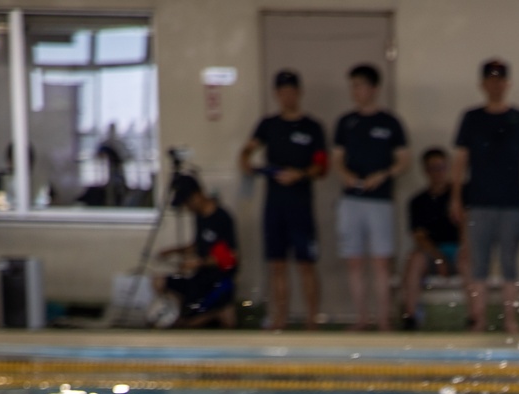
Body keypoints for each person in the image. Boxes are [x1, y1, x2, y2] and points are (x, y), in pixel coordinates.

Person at [451, 60, 519, 334]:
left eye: (500, 80)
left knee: (510, 264)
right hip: (479, 202)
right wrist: (456, 197)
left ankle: (510, 320)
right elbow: (460, 161)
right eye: (490, 80)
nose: (495, 85)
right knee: (477, 263)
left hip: (511, 203)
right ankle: (478, 319)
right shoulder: (471, 118)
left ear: (507, 84)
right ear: (482, 84)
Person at [240, 69, 327, 331]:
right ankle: (280, 318)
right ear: (276, 94)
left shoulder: (313, 127)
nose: (287, 96)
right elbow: (248, 150)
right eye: (282, 92)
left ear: (299, 93)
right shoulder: (268, 125)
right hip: (274, 205)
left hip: (300, 204)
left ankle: (312, 319)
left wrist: (300, 174)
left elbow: (322, 166)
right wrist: (247, 161)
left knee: (305, 264)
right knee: (277, 264)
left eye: (291, 91)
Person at [332, 64, 409, 332]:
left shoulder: (390, 123)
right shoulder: (346, 122)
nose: (356, 91)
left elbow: (403, 161)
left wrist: (384, 174)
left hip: (380, 200)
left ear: (374, 88)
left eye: (360, 85)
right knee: (354, 260)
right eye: (352, 86)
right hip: (351, 199)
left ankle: (384, 320)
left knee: (380, 261)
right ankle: (362, 317)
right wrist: (346, 176)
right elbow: (337, 160)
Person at [153, 173, 238, 328]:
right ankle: (184, 313)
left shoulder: (221, 218)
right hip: (199, 278)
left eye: (187, 202)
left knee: (189, 324)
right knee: (159, 281)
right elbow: (199, 245)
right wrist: (173, 251)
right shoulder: (200, 217)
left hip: (218, 281)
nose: (187, 207)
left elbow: (229, 258)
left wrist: (198, 263)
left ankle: (215, 313)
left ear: (197, 195)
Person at [401, 147, 467, 330]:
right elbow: (419, 236)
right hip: (432, 252)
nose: (438, 172)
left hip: (458, 251)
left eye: (441, 167)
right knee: (414, 260)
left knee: (468, 261)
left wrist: (464, 249)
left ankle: (475, 318)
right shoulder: (418, 202)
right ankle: (411, 316)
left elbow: (468, 227)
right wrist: (438, 257)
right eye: (433, 168)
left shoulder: (460, 195)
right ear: (425, 170)